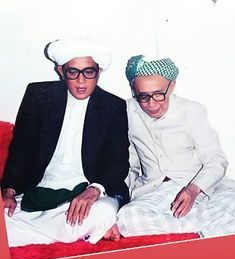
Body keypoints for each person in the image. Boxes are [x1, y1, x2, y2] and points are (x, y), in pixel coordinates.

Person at [1, 38, 130, 246]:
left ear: (98, 72)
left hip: (87, 190)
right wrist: (9, 191)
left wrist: (94, 190)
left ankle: (29, 231)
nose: (81, 81)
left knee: (103, 211)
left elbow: (118, 162)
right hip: (40, 188)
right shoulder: (39, 96)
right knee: (4, 212)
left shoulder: (113, 106)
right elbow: (21, 149)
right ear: (61, 71)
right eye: (73, 72)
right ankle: (78, 231)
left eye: (89, 72)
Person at [104, 55, 235, 241]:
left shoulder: (191, 111)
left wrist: (193, 189)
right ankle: (209, 229)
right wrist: (123, 199)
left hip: (199, 187)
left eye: (158, 94)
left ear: (171, 86)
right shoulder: (126, 112)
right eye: (143, 96)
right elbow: (129, 165)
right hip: (156, 191)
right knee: (127, 218)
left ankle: (194, 228)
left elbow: (216, 160)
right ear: (134, 89)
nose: (151, 104)